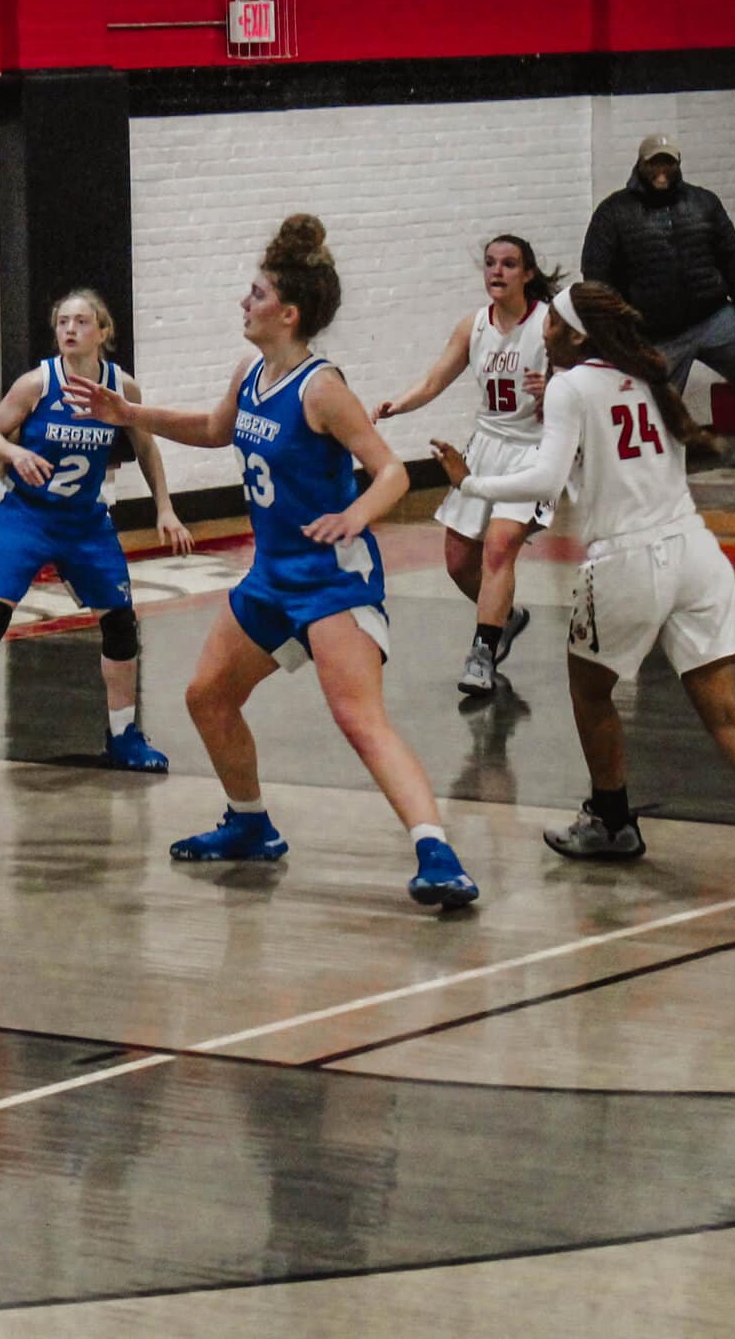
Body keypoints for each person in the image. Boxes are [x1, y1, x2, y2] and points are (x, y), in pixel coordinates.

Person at [69, 216, 479, 908]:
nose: (243, 302)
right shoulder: (252, 372)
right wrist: (127, 413)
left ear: (287, 313)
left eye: (255, 293)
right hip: (272, 574)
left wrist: (357, 513)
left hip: (331, 577)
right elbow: (211, 428)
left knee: (358, 717)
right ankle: (250, 823)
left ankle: (436, 850)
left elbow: (391, 471)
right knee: (207, 696)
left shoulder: (322, 389)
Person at [434, 281, 735, 901]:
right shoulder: (647, 375)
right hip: (696, 553)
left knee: (589, 692)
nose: (544, 335)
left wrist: (471, 483)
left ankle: (612, 820)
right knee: (727, 712)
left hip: (627, 560)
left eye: (553, 328)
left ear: (576, 335)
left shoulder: (569, 387)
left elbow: (545, 475)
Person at [0, 290, 194, 777]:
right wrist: (15, 454)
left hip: (85, 522)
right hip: (26, 517)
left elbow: (147, 447)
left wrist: (165, 508)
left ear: (103, 331)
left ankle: (123, 735)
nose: (70, 329)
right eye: (63, 321)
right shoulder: (36, 383)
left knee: (120, 625)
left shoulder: (120, 387)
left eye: (81, 321)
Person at [582, 135, 735, 476]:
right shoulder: (613, 212)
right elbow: (596, 276)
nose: (662, 170)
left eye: (668, 162)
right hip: (654, 332)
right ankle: (646, 475)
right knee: (650, 408)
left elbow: (733, 257)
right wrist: (620, 331)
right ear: (640, 164)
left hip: (713, 318)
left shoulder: (704, 202)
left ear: (678, 164)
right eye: (654, 162)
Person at [375, 234, 556, 695]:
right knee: (459, 562)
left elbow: (585, 377)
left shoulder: (550, 324)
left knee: (498, 548)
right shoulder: (473, 325)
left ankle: (482, 653)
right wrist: (397, 404)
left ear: (528, 273)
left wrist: (553, 388)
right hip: (486, 448)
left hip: (533, 450)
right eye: (491, 263)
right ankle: (504, 618)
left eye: (509, 264)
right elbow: (437, 378)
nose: (497, 272)